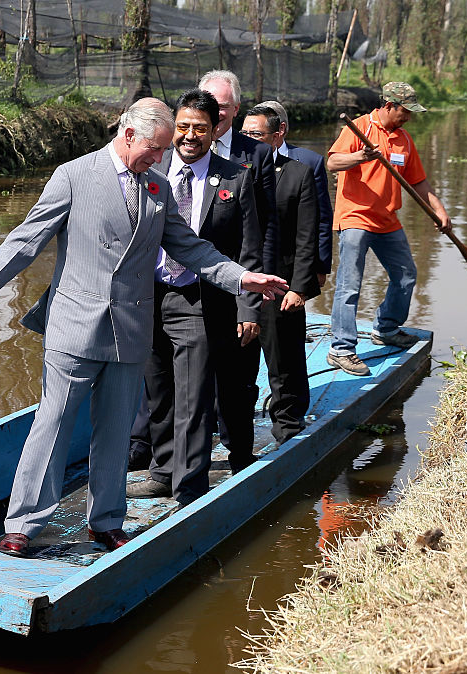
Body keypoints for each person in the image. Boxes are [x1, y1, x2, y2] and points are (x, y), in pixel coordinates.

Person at [0, 98, 288, 557]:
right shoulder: (74, 175)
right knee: (52, 424)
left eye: (163, 150)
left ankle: (106, 520)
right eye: (154, 148)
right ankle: (24, 523)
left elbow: (192, 249)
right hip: (75, 325)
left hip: (130, 329)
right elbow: (30, 236)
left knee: (115, 432)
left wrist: (242, 278)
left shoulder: (156, 188)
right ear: (127, 134)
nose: (161, 158)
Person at [126, 89, 263, 505]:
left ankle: (190, 486)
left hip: (201, 300)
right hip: (149, 297)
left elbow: (250, 248)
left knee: (195, 396)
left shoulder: (237, 177)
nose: (189, 136)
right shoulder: (150, 168)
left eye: (199, 129)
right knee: (158, 390)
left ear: (215, 129)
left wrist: (248, 306)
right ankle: (163, 471)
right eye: (183, 127)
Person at [325, 82, 452, 377]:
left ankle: (385, 328)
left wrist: (440, 210)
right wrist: (361, 157)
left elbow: (418, 182)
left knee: (406, 275)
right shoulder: (359, 128)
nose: (408, 117)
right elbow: (333, 162)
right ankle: (341, 349)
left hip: (387, 220)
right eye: (405, 111)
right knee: (349, 284)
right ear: (389, 105)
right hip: (355, 217)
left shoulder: (404, 139)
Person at [198, 69, 278, 471]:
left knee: (238, 376)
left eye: (223, 107)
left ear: (235, 109)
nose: (216, 114)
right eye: (209, 105)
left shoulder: (257, 155)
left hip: (241, 280)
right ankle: (177, 456)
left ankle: (239, 453)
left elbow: (264, 227)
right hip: (188, 283)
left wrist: (257, 293)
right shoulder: (177, 148)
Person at [241, 104, 325, 444]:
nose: (248, 140)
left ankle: (288, 425)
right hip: (241, 284)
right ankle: (234, 425)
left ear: (278, 135)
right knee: (238, 362)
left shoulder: (297, 173)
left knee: (284, 361)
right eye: (243, 134)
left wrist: (301, 288)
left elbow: (308, 236)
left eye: (256, 135)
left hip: (281, 285)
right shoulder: (232, 171)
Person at [256, 99, 334, 279]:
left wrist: (321, 266)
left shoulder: (309, 162)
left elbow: (322, 218)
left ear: (280, 129)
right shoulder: (242, 158)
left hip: (292, 262)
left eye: (257, 131)